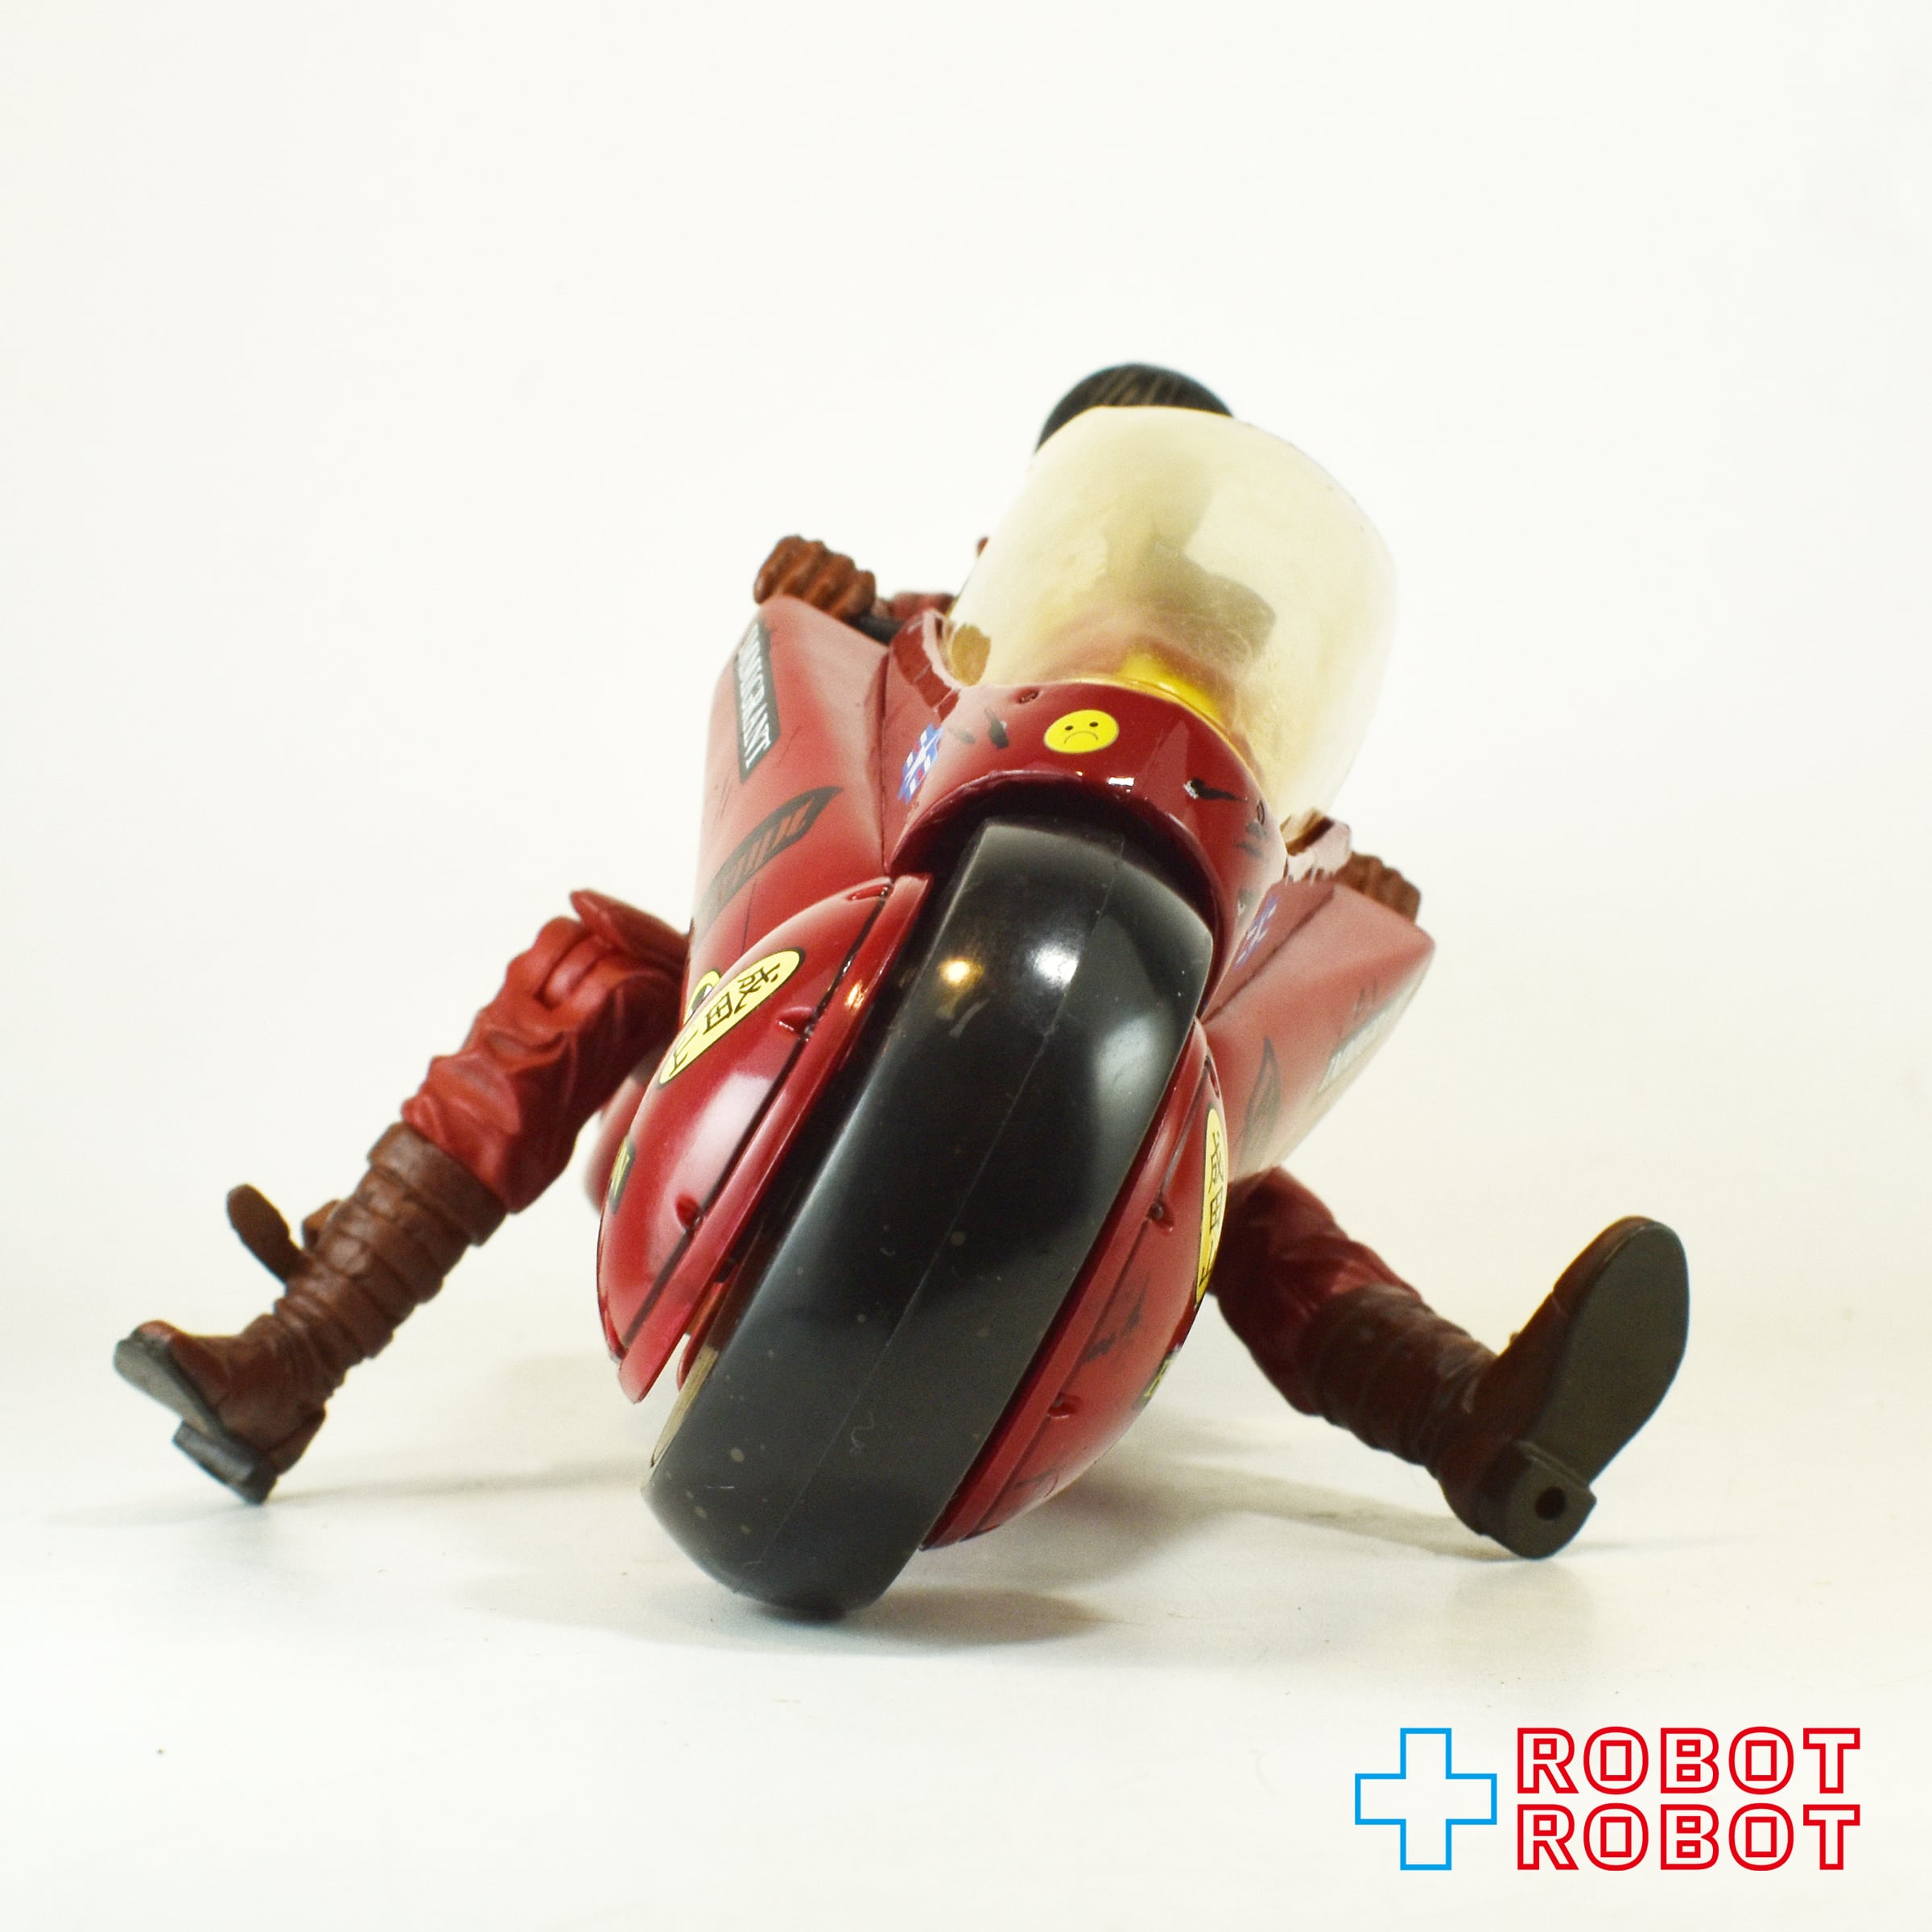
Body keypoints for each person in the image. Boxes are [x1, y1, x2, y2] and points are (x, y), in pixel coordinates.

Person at [115, 365, 1686, 1558]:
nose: (1146, 558)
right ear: (1039, 524)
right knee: (596, 969)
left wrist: (1329, 888)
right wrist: (832, 608)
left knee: (1221, 1175)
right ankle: (299, 1349)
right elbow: (851, 713)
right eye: (1115, 506)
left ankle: (1474, 1423)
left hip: (1081, 1136)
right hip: (798, 1019)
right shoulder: (933, 640)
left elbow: (1254, 897)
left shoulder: (1236, 742)